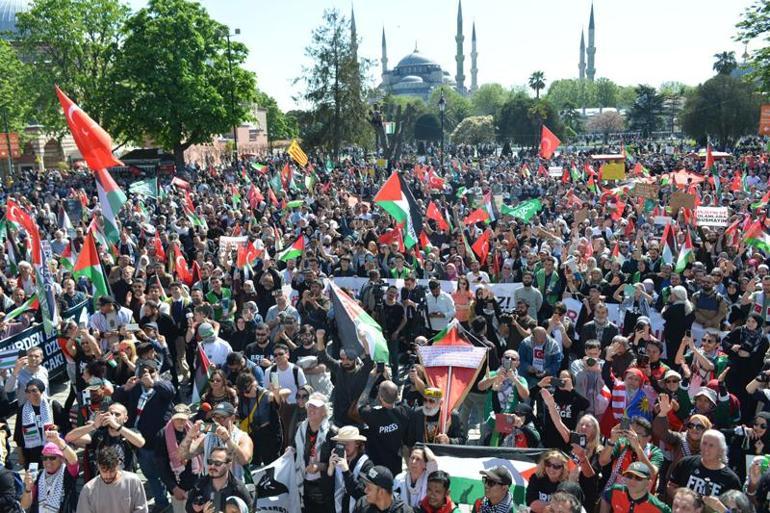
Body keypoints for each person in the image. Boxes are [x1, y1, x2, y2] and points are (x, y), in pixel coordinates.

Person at [112, 359, 175, 512]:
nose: (147, 375)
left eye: (151, 372)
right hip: (139, 441)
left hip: (159, 442)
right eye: (143, 372)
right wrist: (124, 388)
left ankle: (174, 502)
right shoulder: (136, 388)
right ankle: (161, 502)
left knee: (166, 474)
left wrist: (154, 383)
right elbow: (116, 399)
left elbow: (170, 391)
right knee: (150, 474)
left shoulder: (162, 387)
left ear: (157, 373)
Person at [179, 402, 254, 482]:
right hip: (212, 487)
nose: (218, 422)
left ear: (232, 418)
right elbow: (184, 455)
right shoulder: (208, 436)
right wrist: (189, 436)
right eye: (216, 418)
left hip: (236, 486)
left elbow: (244, 460)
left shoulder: (242, 437)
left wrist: (227, 440)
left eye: (222, 417)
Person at [316, 329, 375, 427]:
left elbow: (370, 360)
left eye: (349, 358)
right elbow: (323, 356)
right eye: (343, 359)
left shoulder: (362, 371)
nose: (345, 361)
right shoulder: (339, 368)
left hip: (357, 419)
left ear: (356, 358)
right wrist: (319, 338)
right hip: (339, 419)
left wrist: (364, 340)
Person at [154, 404, 202, 513]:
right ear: (172, 417)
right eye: (177, 419)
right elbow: (161, 466)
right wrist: (174, 488)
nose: (180, 422)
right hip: (177, 484)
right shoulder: (162, 435)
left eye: (183, 419)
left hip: (195, 483)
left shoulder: (193, 430)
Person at [358, 380, 411, 476]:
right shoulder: (405, 412)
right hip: (395, 467)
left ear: (381, 397)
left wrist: (371, 379)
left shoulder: (373, 415)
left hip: (376, 466)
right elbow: (398, 402)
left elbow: (360, 405)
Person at [667, 429, 740, 499]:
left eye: (711, 445)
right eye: (704, 443)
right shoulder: (686, 463)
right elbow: (671, 486)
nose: (706, 448)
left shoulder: (731, 479)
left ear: (721, 450)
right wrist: (684, 501)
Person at [76, 445, 148, 513]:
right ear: (98, 466)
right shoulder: (88, 489)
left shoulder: (133, 481)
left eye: (112, 471)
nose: (108, 475)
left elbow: (142, 510)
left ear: (118, 464)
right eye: (104, 471)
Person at [20, 436, 80, 513]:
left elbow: (74, 460)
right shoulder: (38, 475)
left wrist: (60, 442)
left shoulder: (68, 472)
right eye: (44, 458)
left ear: (61, 459)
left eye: (52, 458)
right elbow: (25, 505)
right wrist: (28, 488)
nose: (48, 461)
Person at [184, 447, 251, 513]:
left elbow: (250, 510)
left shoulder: (238, 489)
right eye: (210, 462)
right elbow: (189, 507)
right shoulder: (199, 485)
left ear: (228, 465)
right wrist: (196, 509)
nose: (212, 466)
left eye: (217, 463)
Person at [328, 426, 374, 513]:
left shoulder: (367, 465)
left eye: (347, 443)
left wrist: (346, 471)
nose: (344, 447)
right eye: (341, 443)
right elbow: (327, 493)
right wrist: (330, 470)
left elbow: (362, 494)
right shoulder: (336, 462)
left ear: (357, 443)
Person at [600, 462, 671, 513]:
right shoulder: (615, 490)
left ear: (648, 483)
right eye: (629, 476)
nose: (632, 480)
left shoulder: (658, 507)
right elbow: (605, 496)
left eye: (638, 478)